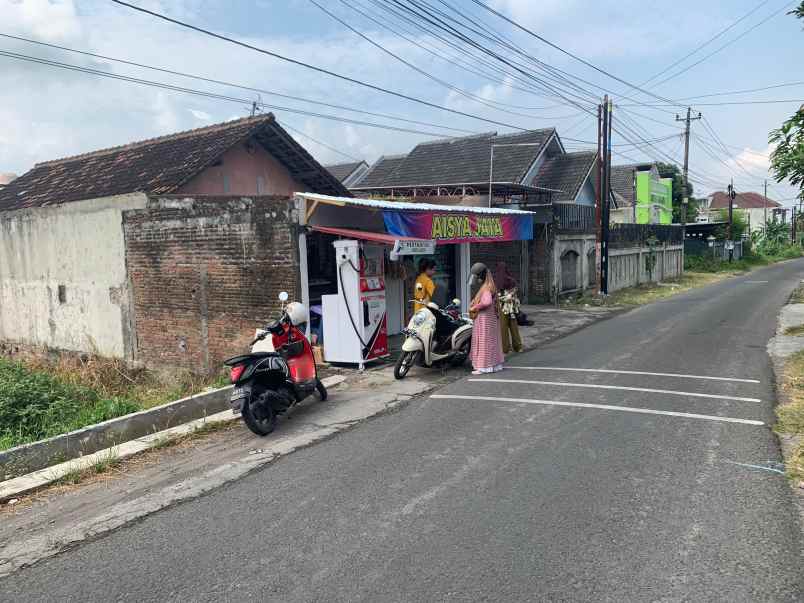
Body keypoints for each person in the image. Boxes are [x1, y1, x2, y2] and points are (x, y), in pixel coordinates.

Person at [468, 263, 504, 375]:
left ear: (481, 276)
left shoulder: (486, 288)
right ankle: (494, 365)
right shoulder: (490, 285)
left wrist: (475, 306)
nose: (476, 279)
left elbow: (487, 302)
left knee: (484, 342)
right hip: (491, 319)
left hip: (485, 320)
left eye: (477, 277)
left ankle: (483, 367)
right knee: (492, 341)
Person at [495, 262, 523, 354]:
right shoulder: (511, 280)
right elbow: (515, 293)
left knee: (503, 328)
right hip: (512, 308)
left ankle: (506, 348)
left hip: (502, 307)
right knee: (514, 327)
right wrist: (510, 296)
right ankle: (518, 347)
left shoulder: (497, 281)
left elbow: (496, 296)